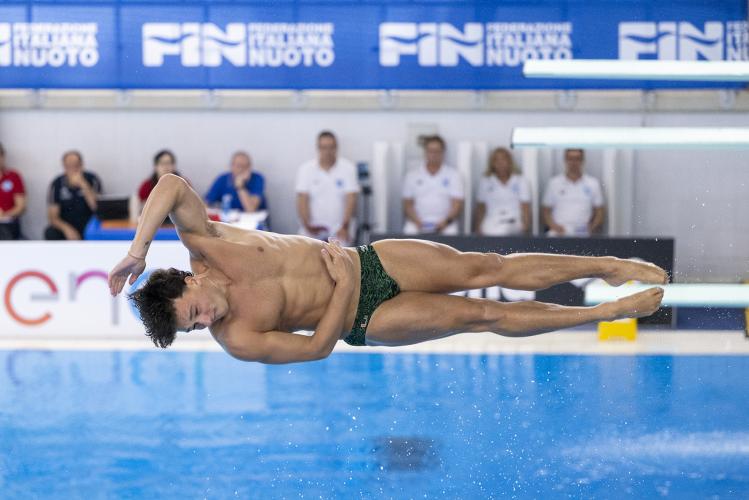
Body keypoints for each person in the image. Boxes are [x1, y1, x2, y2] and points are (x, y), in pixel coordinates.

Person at [108, 174, 667, 365]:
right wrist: (343, 290)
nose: (205, 322)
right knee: (483, 315)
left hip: (372, 261)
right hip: (364, 317)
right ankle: (604, 312)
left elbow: (171, 186)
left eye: (194, 311)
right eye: (194, 327)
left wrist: (137, 250)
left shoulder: (207, 243)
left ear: (189, 280)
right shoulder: (239, 339)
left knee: (486, 267)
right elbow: (316, 349)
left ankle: (608, 265)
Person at [295, 131, 359, 244]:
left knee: (342, 252)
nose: (328, 152)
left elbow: (351, 199)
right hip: (313, 228)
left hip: (340, 229)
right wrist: (307, 225)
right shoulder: (306, 169)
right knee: (304, 250)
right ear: (318, 148)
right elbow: (302, 199)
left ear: (336, 148)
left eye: (331, 147)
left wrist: (345, 226)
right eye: (324, 147)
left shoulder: (348, 168)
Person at [402, 135, 464, 235]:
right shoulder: (412, 175)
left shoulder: (453, 175)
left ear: (443, 153)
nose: (434, 154)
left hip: (445, 223)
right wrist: (417, 221)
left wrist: (445, 222)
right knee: (409, 231)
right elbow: (407, 204)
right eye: (430, 151)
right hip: (418, 222)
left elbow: (457, 204)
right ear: (425, 152)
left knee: (451, 233)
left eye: (437, 151)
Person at [542, 148, 605, 237]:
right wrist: (555, 227)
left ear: (583, 161)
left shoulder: (593, 183)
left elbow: (600, 212)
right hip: (559, 232)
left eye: (577, 159)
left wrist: (591, 228)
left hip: (583, 232)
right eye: (570, 159)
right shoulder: (554, 183)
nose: (573, 163)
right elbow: (545, 211)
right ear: (565, 160)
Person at [45, 150, 102, 240]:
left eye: (76, 165)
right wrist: (66, 229)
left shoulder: (92, 179)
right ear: (64, 166)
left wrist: (83, 185)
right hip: (67, 224)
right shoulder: (57, 183)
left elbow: (97, 208)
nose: (73, 169)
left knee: (98, 230)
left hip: (89, 223)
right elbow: (53, 217)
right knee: (50, 232)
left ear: (82, 165)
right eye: (69, 166)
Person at [473, 147, 531, 236]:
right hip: (492, 219)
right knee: (490, 230)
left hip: (513, 219)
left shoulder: (520, 180)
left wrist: (526, 226)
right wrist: (477, 227)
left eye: (503, 159)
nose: (500, 163)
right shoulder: (486, 181)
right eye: (496, 160)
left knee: (504, 230)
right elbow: (481, 207)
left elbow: (525, 206)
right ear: (492, 163)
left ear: (509, 161)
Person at [0, 142, 27, 240]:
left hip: (7, 223)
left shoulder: (13, 177)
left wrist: (4, 215)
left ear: (3, 156)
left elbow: (20, 207)